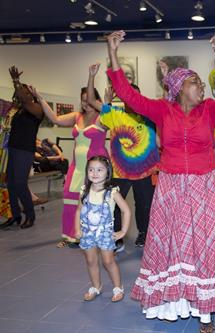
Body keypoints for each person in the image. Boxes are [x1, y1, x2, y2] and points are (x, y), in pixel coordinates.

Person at [106, 30, 215, 333]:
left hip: (203, 187)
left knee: (204, 247)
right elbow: (128, 95)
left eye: (201, 82)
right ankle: (173, 303)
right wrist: (113, 53)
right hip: (169, 188)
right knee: (174, 247)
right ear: (180, 88)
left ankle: (206, 312)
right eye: (195, 82)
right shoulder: (162, 110)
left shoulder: (210, 110)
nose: (201, 86)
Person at [86, 63, 160, 249]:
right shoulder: (116, 115)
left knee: (144, 205)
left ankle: (143, 234)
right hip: (120, 172)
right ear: (125, 99)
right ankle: (116, 236)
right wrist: (91, 76)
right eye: (129, 96)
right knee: (115, 205)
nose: (133, 100)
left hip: (145, 172)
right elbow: (90, 100)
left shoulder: (151, 117)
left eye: (136, 96)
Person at [31, 83, 108, 248]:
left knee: (94, 202)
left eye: (89, 100)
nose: (85, 104)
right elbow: (55, 118)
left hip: (95, 169)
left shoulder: (103, 116)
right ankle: (71, 235)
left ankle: (95, 236)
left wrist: (106, 103)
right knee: (70, 198)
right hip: (77, 167)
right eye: (83, 101)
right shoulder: (76, 116)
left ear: (96, 100)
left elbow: (108, 116)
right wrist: (40, 98)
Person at [75, 155, 131, 302]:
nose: (95, 173)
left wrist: (123, 231)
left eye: (100, 170)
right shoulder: (84, 191)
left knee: (108, 261)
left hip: (105, 233)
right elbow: (78, 211)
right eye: (91, 170)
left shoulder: (112, 192)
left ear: (108, 172)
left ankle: (118, 287)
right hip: (87, 233)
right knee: (90, 261)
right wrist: (77, 229)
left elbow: (126, 210)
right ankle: (96, 286)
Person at [0, 66, 43, 230]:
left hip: (25, 150)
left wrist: (16, 81)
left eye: (24, 92)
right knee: (10, 183)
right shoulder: (18, 111)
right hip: (13, 149)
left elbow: (24, 99)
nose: (20, 94)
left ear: (31, 95)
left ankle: (30, 215)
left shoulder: (37, 110)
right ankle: (15, 215)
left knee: (20, 183)